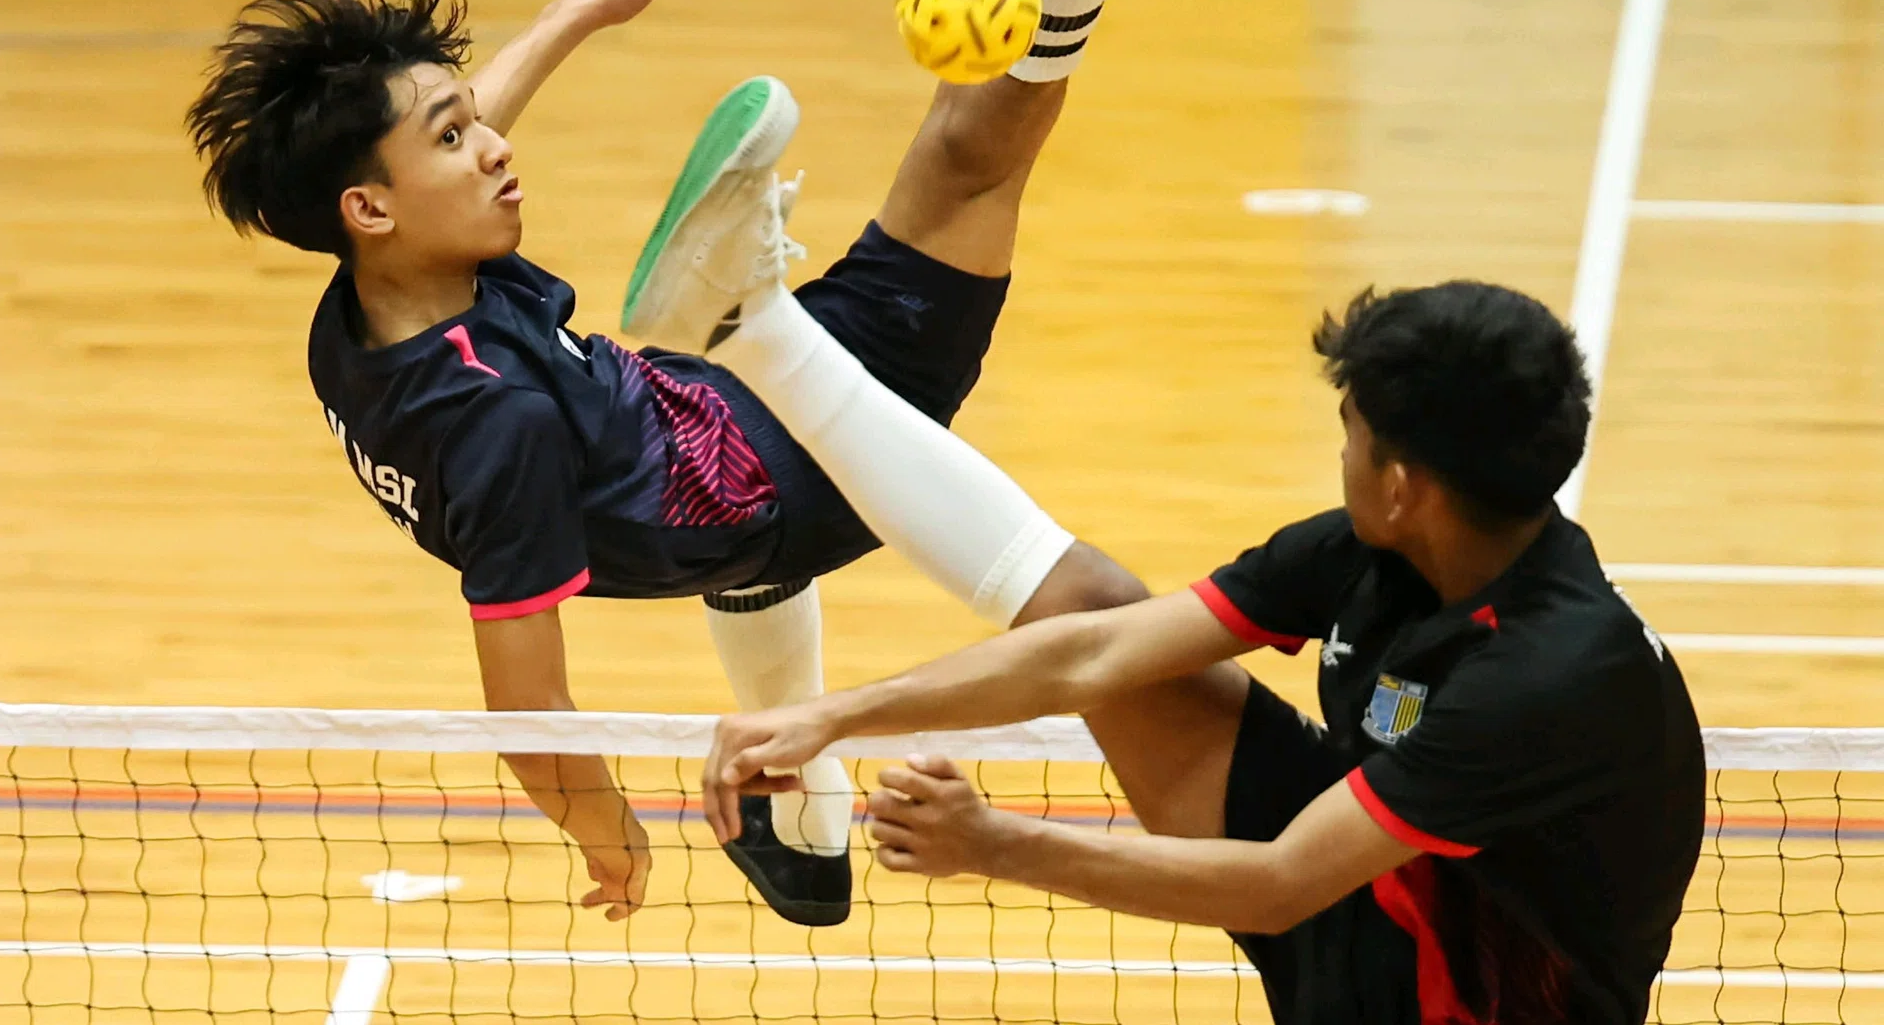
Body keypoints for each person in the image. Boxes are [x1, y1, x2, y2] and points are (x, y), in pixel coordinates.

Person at [183, 0, 1133, 925]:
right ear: (370, 206)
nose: (491, 145)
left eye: (467, 119)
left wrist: (582, 5)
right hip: (784, 478)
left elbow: (456, 142)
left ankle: (799, 825)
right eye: (452, 137)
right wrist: (612, 839)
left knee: (963, 149)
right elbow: (531, 718)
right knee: (982, 134)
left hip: (681, 432)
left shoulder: (369, 305)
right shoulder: (499, 425)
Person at [619, 166, 1706, 1020]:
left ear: (1404, 482)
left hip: (1457, 996)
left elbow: (1281, 883)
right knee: (1089, 601)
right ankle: (757, 327)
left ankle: (761, 326)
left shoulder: (1543, 676)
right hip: (1387, 877)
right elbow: (1095, 652)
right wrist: (832, 715)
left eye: (1352, 431)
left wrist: (993, 843)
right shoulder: (1389, 549)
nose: (1341, 450)